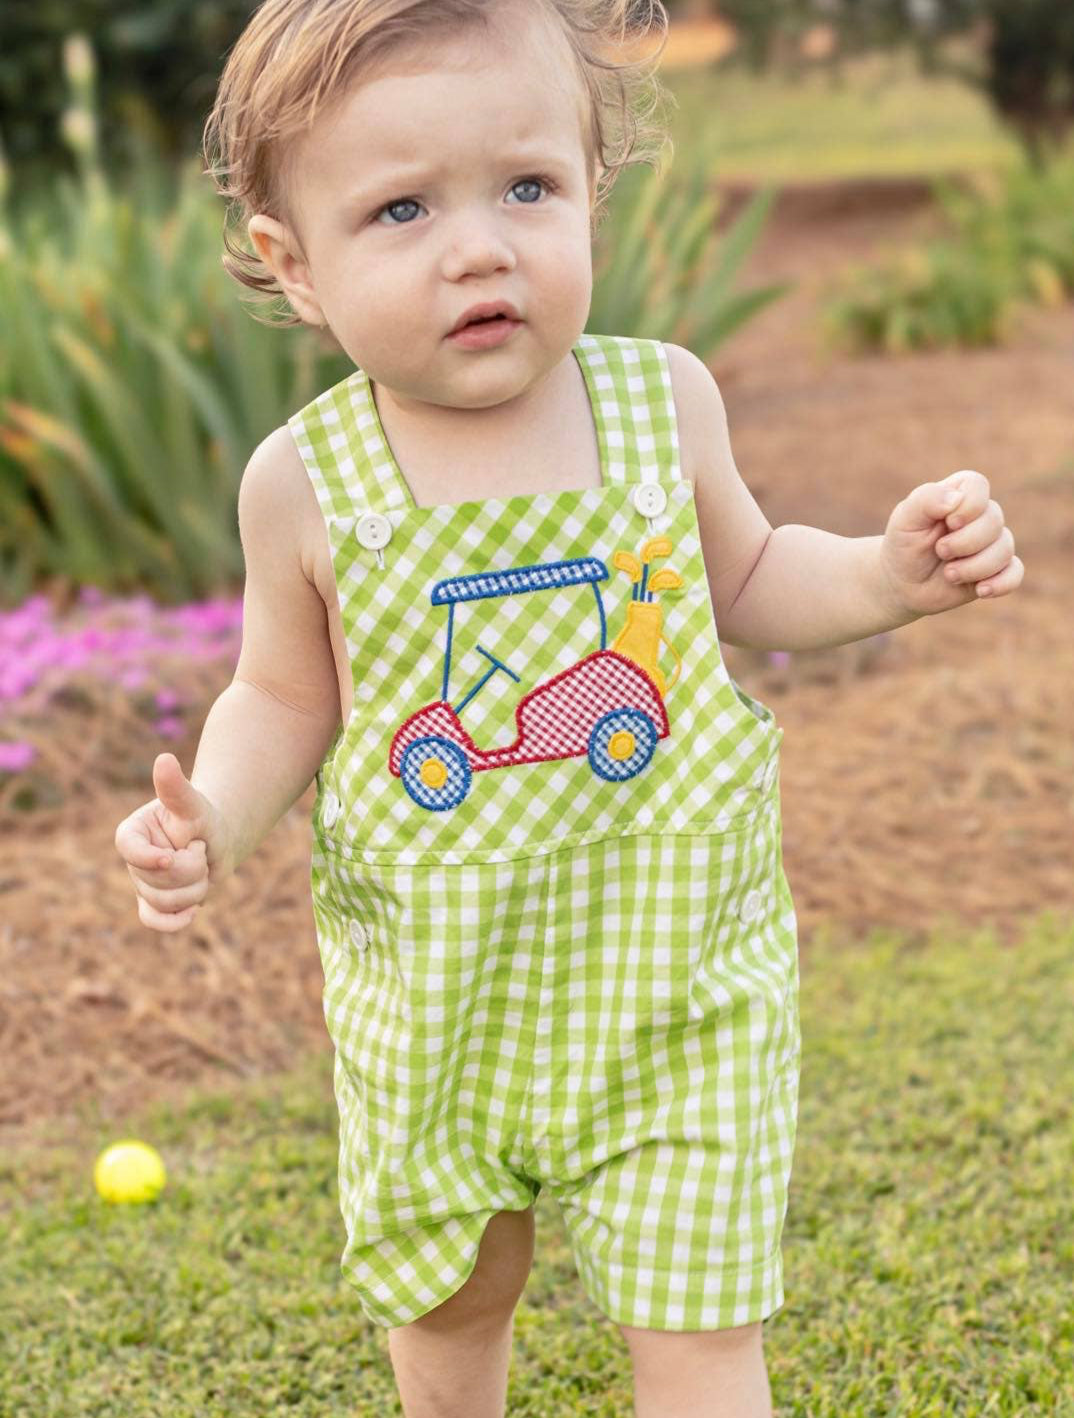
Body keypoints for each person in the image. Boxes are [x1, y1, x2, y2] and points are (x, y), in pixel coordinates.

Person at [113, 1, 1024, 1413]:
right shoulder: (306, 482)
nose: (480, 248)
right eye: (402, 208)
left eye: (526, 187)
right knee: (454, 1294)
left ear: (592, 186)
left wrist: (888, 575)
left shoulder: (661, 404)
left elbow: (751, 576)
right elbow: (283, 695)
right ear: (296, 266)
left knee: (701, 1320)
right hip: (439, 1009)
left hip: (676, 989)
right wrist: (213, 817)